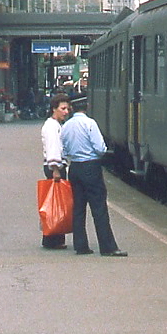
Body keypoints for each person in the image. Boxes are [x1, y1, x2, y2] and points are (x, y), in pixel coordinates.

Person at [61, 97, 127, 257]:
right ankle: (107, 247)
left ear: (72, 108)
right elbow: (100, 148)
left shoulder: (66, 126)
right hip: (91, 167)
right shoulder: (90, 124)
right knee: (99, 208)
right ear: (87, 107)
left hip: (75, 167)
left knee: (78, 208)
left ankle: (81, 246)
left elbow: (63, 150)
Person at [40, 94, 73, 250]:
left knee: (55, 202)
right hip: (55, 167)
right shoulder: (52, 127)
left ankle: (54, 237)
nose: (66, 112)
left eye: (67, 108)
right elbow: (53, 148)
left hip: (55, 166)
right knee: (55, 203)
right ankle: (52, 237)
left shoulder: (55, 125)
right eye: (63, 108)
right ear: (54, 109)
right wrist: (56, 170)